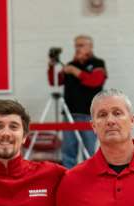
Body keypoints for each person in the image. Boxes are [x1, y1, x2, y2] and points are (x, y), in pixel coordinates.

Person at [47, 35, 107, 168]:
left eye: (81, 45)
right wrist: (51, 66)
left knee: (88, 152)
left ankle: (89, 179)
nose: (77, 49)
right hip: (69, 114)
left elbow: (95, 81)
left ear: (90, 47)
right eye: (76, 46)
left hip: (89, 115)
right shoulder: (70, 65)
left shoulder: (98, 63)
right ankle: (69, 178)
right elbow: (54, 81)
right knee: (68, 152)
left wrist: (75, 71)